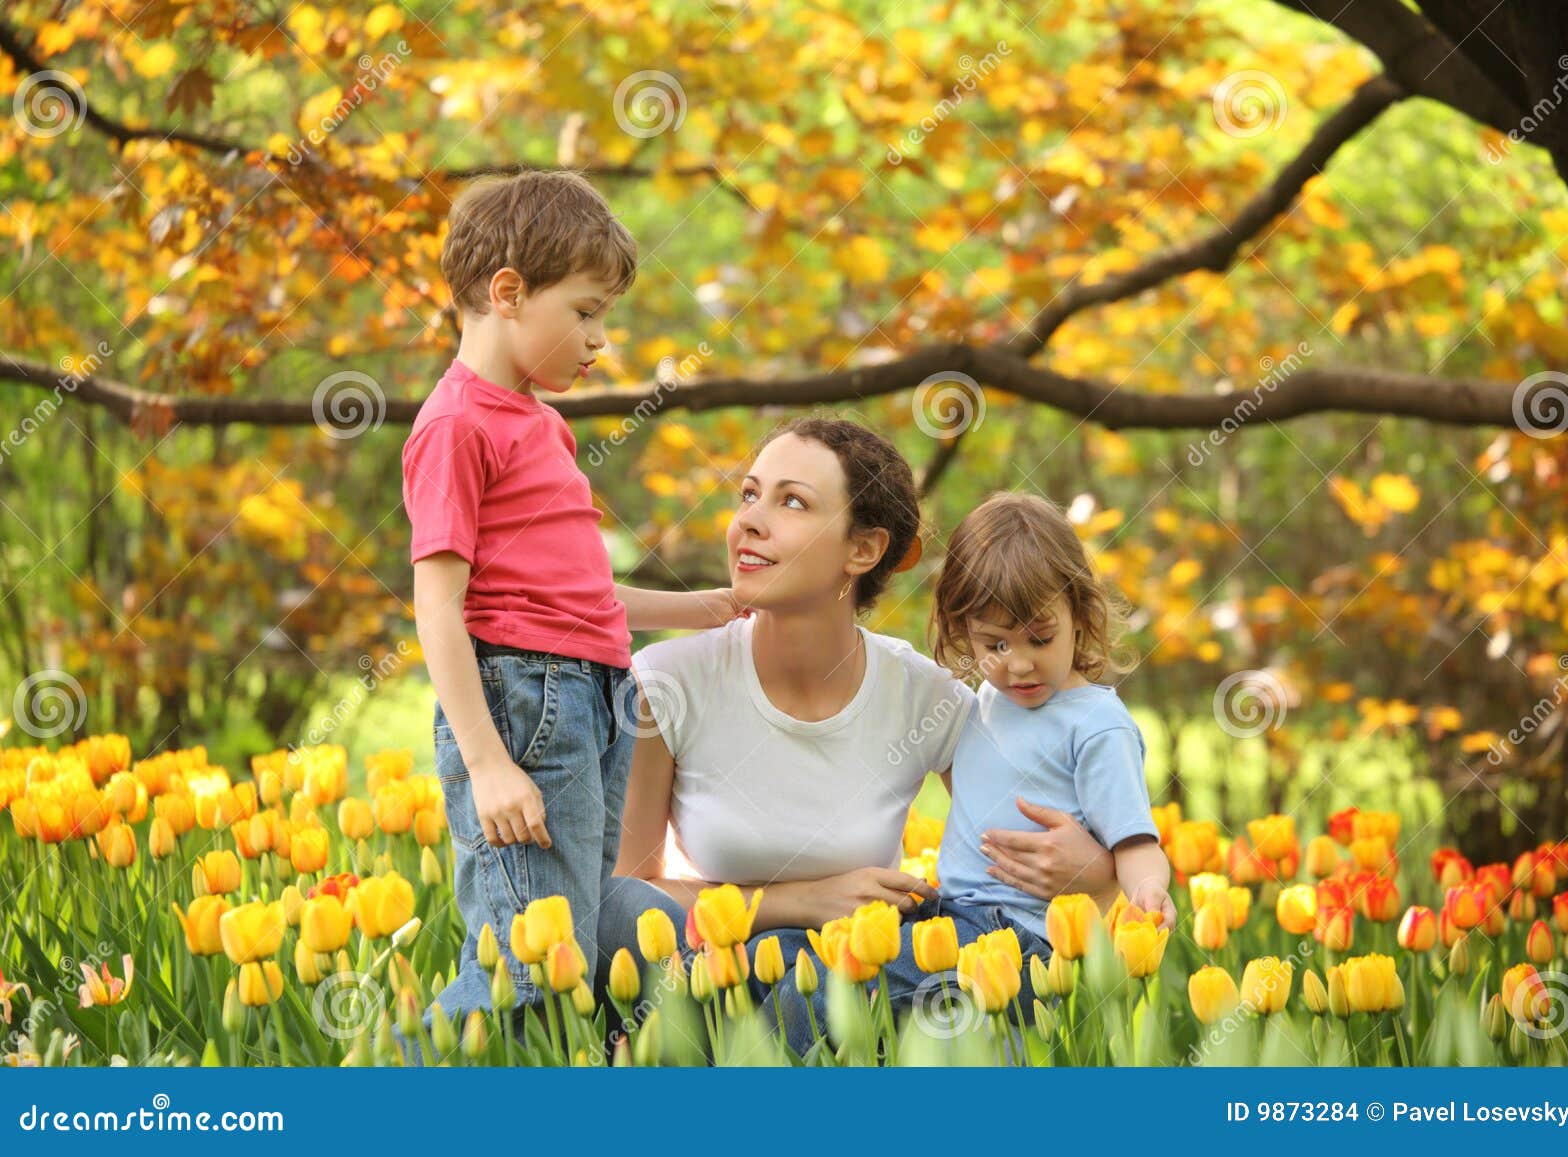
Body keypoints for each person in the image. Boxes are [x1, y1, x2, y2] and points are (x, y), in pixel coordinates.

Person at [596, 417, 1123, 1044]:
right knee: (621, 913)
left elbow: (1033, 829)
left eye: (792, 501)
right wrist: (800, 900)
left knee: (955, 1000)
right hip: (714, 976)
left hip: (847, 992)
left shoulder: (923, 697)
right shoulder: (665, 684)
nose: (751, 521)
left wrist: (1098, 871)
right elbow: (629, 897)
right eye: (749, 494)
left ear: (863, 549)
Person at [401, 169, 739, 1028]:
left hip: (595, 694)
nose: (600, 339)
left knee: (572, 949)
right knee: (533, 966)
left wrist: (706, 606)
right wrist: (486, 763)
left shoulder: (540, 422)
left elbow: (580, 593)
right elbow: (439, 606)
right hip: (524, 702)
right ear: (508, 292)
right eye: (585, 312)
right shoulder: (455, 425)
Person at [764, 490, 1174, 1054]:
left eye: (1040, 637)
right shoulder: (980, 703)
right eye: (994, 643)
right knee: (789, 956)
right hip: (954, 914)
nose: (1019, 662)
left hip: (1029, 938)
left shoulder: (1096, 724)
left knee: (827, 990)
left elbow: (1135, 843)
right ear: (964, 631)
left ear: (1079, 615)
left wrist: (1148, 890)